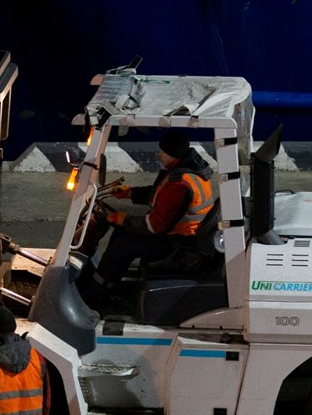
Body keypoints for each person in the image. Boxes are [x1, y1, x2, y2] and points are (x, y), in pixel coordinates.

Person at [76, 129, 215, 307]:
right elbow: (161, 195)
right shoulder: (187, 170)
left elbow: (154, 226)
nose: (159, 154)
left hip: (178, 244)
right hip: (181, 236)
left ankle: (93, 296)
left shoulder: (180, 183)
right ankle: (106, 283)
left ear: (172, 154)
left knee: (123, 246)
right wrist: (129, 193)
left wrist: (121, 219)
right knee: (121, 234)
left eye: (162, 151)